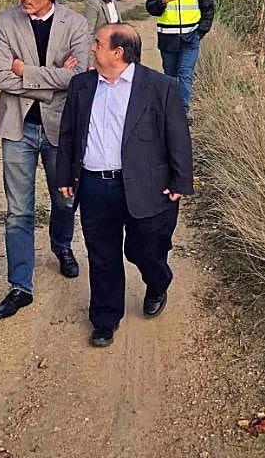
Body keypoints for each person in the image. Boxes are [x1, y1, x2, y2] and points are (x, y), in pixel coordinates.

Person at [54, 24, 193, 347]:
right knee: (102, 255)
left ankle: (158, 281)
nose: (92, 48)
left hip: (146, 185)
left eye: (98, 43)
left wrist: (180, 180)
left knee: (144, 249)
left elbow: (178, 137)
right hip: (94, 186)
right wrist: (64, 177)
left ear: (118, 52)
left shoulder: (160, 87)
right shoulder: (82, 85)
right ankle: (104, 319)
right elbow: (68, 134)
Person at [0, 0, 90, 319]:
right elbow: (1, 77)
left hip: (61, 128)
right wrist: (53, 80)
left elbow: (79, 76)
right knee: (18, 210)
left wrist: (27, 73)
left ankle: (61, 246)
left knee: (65, 199)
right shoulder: (6, 21)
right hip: (17, 127)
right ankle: (20, 285)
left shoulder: (76, 24)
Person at [144, 0, 215, 117]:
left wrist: (200, 32)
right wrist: (163, 1)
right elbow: (151, 8)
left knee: (185, 74)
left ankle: (182, 112)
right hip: (168, 39)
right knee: (170, 76)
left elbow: (209, 9)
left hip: (191, 38)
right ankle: (170, 107)